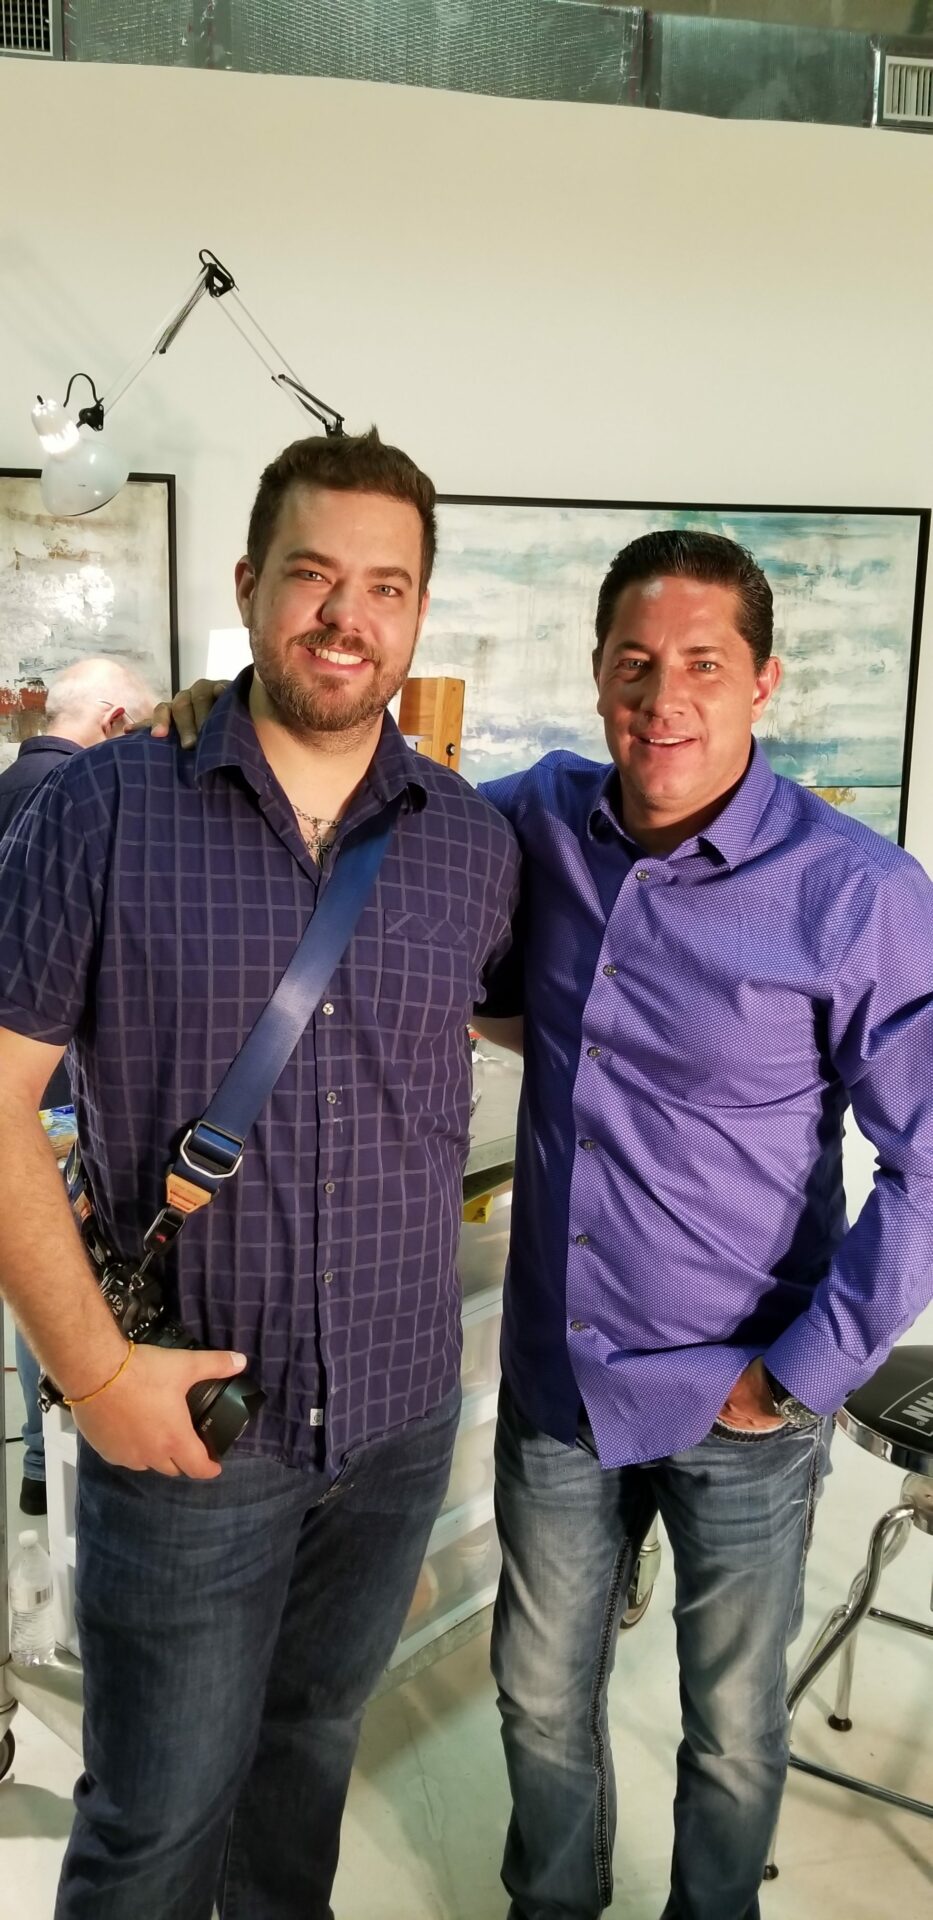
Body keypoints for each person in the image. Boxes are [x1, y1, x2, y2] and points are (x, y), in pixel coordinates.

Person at [165, 526, 933, 1920]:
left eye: (703, 664)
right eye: (634, 663)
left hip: (742, 1393)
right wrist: (224, 720)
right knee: (537, 1694)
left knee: (732, 1722)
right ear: (595, 675)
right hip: (560, 1384)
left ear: (764, 681)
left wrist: (797, 1376)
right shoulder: (536, 818)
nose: (663, 698)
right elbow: (384, 789)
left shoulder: (857, 894)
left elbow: (929, 1161)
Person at [0, 429, 518, 1920]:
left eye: (386, 586)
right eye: (313, 575)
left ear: (418, 612)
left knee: (304, 1773)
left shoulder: (471, 844)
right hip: (188, 1425)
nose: (347, 617)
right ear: (249, 585)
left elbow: (510, 1022)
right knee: (155, 1825)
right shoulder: (104, 810)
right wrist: (96, 1376)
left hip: (395, 1424)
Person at [0, 655, 159, 1516]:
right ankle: (47, 1455)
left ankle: (35, 1460)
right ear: (114, 722)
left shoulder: (6, 789)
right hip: (57, 1090)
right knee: (65, 1265)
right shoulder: (86, 805)